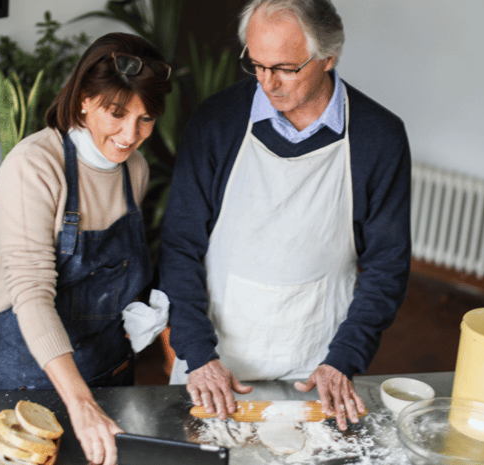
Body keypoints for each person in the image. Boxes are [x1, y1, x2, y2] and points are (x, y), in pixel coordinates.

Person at [160, 0, 411, 431]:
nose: (267, 83)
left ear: (329, 57)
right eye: (256, 65)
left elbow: (387, 266)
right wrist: (199, 355)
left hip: (317, 365)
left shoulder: (378, 137)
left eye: (285, 68)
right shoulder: (217, 121)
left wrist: (343, 359)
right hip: (214, 362)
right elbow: (180, 245)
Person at [0, 32, 172, 465]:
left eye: (145, 119)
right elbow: (31, 293)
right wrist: (81, 402)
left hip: (108, 365)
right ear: (84, 99)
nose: (130, 134)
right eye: (117, 113)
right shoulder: (34, 166)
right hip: (25, 373)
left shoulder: (133, 169)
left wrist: (145, 313)